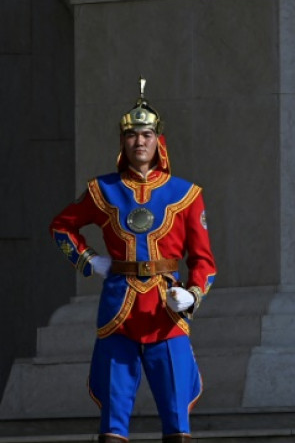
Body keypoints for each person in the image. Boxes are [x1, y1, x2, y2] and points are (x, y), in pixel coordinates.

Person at [49, 80, 217, 443]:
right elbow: (61, 228)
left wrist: (192, 295)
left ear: (158, 140)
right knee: (112, 425)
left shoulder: (187, 194)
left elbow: (205, 262)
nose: (139, 141)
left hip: (167, 314)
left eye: (146, 134)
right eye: (132, 135)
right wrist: (89, 260)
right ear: (123, 141)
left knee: (177, 422)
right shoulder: (102, 190)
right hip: (118, 313)